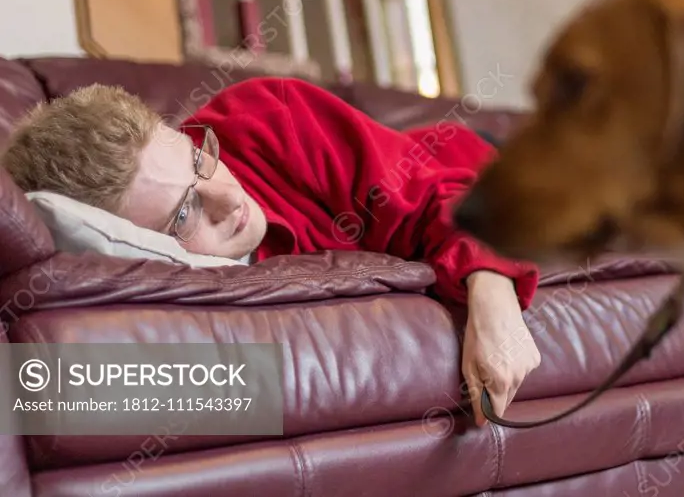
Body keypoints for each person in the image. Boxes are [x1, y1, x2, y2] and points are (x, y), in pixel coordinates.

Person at [0, 76, 542, 426]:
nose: (227, 198)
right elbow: (39, 393)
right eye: (184, 214)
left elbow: (438, 193)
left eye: (197, 159)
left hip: (482, 161)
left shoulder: (268, 116)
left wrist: (493, 297)